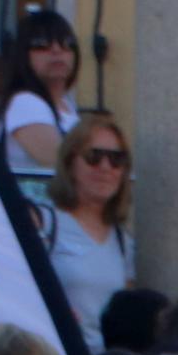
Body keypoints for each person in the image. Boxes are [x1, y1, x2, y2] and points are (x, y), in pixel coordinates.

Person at [39, 114, 135, 340]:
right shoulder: (45, 223)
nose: (105, 167)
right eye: (94, 156)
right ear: (70, 163)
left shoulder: (124, 242)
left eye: (116, 159)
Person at [0, 6, 85, 175]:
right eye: (41, 44)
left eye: (67, 43)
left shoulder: (66, 105)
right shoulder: (25, 103)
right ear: (24, 56)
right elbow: (64, 166)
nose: (57, 51)